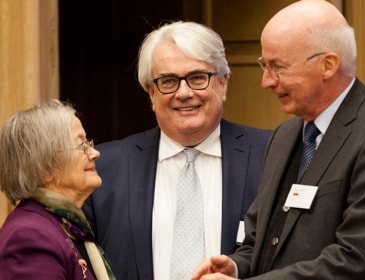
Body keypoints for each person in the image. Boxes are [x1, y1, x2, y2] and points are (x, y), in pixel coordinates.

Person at [192, 0, 365, 279]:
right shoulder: (285, 136)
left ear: (328, 65)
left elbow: (359, 260)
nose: (266, 81)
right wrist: (237, 267)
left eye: (278, 67)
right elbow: (261, 240)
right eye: (265, 65)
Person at [82, 21, 272, 280]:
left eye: (197, 78)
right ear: (151, 93)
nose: (184, 93)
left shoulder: (272, 156)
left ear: (223, 83)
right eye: (168, 81)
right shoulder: (103, 169)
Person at [0, 100, 116, 280]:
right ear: (46, 168)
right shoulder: (29, 236)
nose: (94, 153)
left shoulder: (68, 225)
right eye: (81, 145)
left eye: (89, 142)